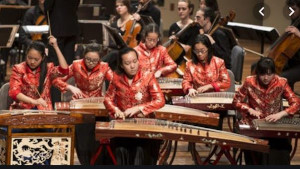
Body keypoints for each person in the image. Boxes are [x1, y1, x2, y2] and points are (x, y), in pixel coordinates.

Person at [233, 57, 300, 165]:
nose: (266, 78)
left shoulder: (281, 82)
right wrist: (249, 109)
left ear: (274, 73)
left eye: (269, 74)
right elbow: (236, 101)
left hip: (274, 124)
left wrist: (280, 114)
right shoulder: (250, 81)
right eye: (262, 74)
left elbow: (296, 102)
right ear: (257, 73)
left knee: (281, 148)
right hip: (254, 123)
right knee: (257, 147)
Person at [104, 47, 165, 165]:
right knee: (120, 150)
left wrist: (139, 108)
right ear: (121, 65)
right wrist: (115, 109)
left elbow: (160, 100)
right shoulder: (116, 77)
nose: (132, 66)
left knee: (140, 152)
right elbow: (107, 99)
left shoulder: (147, 75)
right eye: (127, 63)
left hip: (144, 125)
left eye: (134, 61)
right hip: (124, 125)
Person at [182, 34, 230, 129]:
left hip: (215, 101)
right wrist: (189, 89)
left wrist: (210, 86)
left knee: (215, 117)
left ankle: (213, 139)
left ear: (209, 48)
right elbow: (186, 81)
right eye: (197, 51)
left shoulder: (219, 62)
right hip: (198, 100)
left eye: (202, 51)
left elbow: (226, 82)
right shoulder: (189, 64)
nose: (199, 54)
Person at [8, 36, 68, 110]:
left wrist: (56, 46)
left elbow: (64, 70)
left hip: (44, 109)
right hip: (23, 109)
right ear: (26, 55)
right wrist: (34, 101)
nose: (32, 62)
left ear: (42, 58)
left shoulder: (48, 68)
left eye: (36, 59)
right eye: (29, 58)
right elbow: (14, 92)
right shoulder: (18, 69)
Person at [44, 0, 80, 107]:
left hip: (57, 29)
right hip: (72, 28)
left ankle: (56, 103)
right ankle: (68, 102)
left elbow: (47, 7)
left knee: (56, 69)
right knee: (68, 69)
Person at [281, 0, 300, 91]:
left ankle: (289, 101)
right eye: (289, 9)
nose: (290, 12)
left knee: (282, 77)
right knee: (260, 68)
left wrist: (299, 33)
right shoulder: (295, 21)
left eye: (294, 9)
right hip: (292, 62)